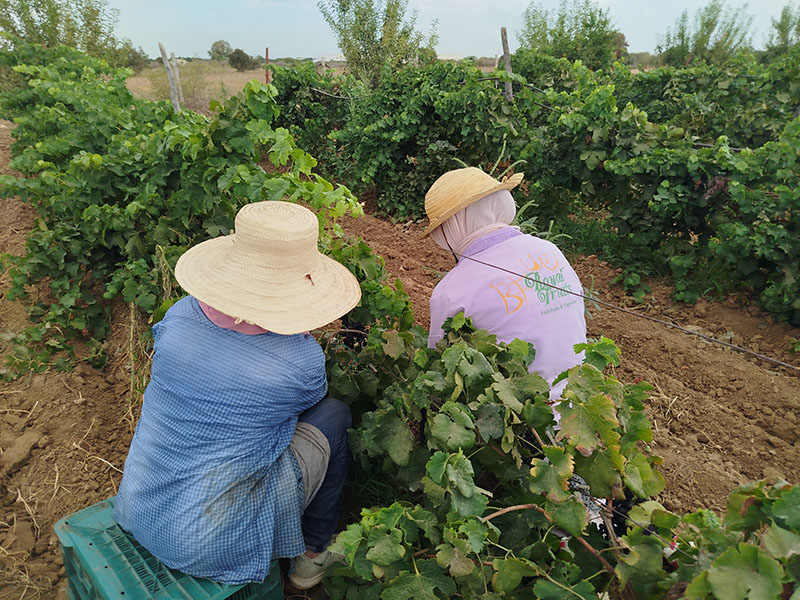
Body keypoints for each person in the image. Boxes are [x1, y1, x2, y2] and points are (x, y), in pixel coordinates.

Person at [114, 201, 362, 589]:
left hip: (137, 507)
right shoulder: (301, 361)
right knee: (332, 415)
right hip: (210, 542)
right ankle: (311, 557)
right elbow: (306, 401)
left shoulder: (180, 315)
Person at [422, 167, 587, 401]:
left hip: (526, 423)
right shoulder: (550, 251)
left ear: (451, 226)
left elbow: (440, 366)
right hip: (582, 398)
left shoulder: (451, 291)